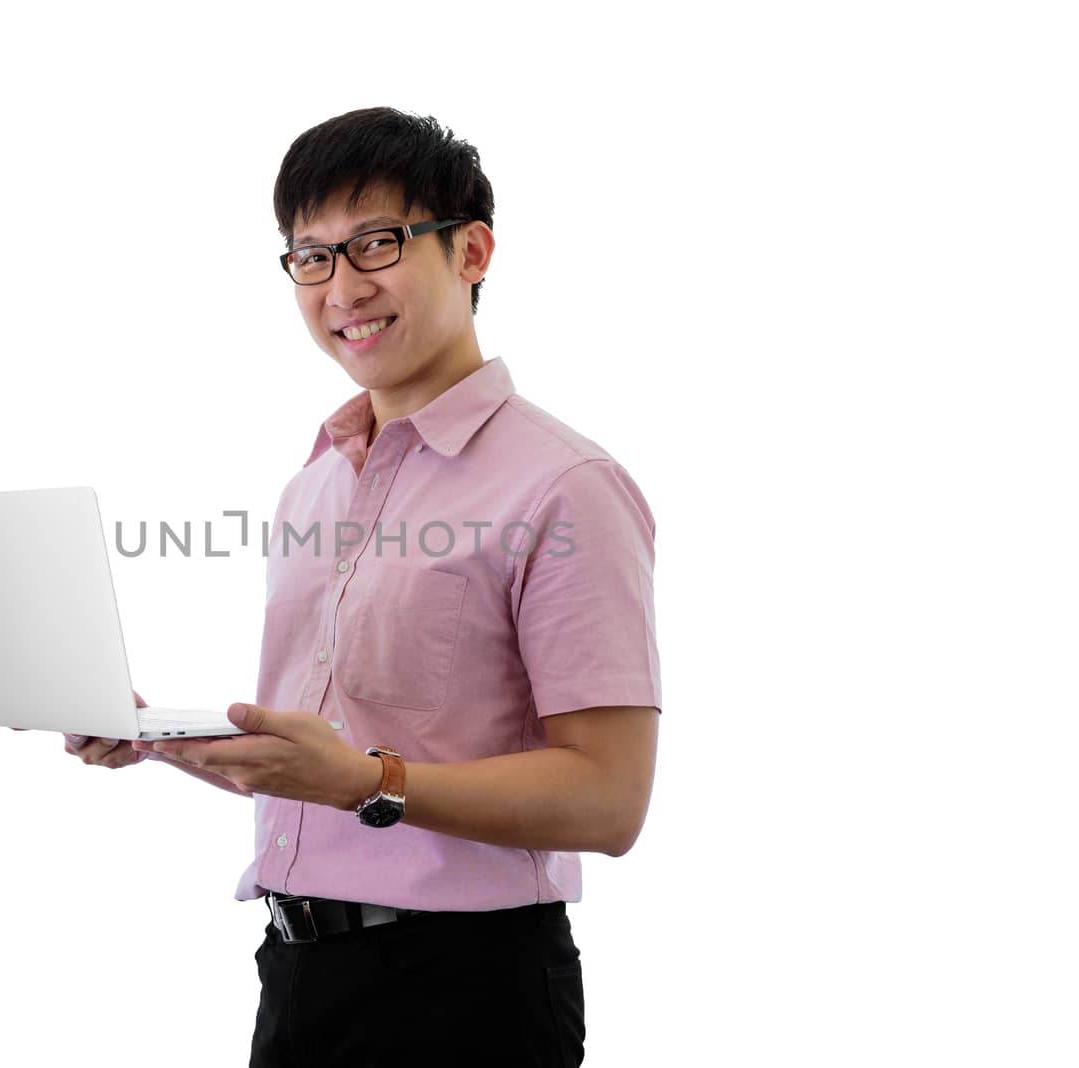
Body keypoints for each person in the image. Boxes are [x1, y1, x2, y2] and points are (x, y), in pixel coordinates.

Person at [61, 107, 662, 1067]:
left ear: (472, 250)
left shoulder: (566, 486)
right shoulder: (317, 481)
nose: (343, 288)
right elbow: (316, 767)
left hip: (465, 994)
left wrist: (368, 784)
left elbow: (609, 799)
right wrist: (159, 740)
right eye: (311, 257)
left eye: (377, 244)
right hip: (295, 977)